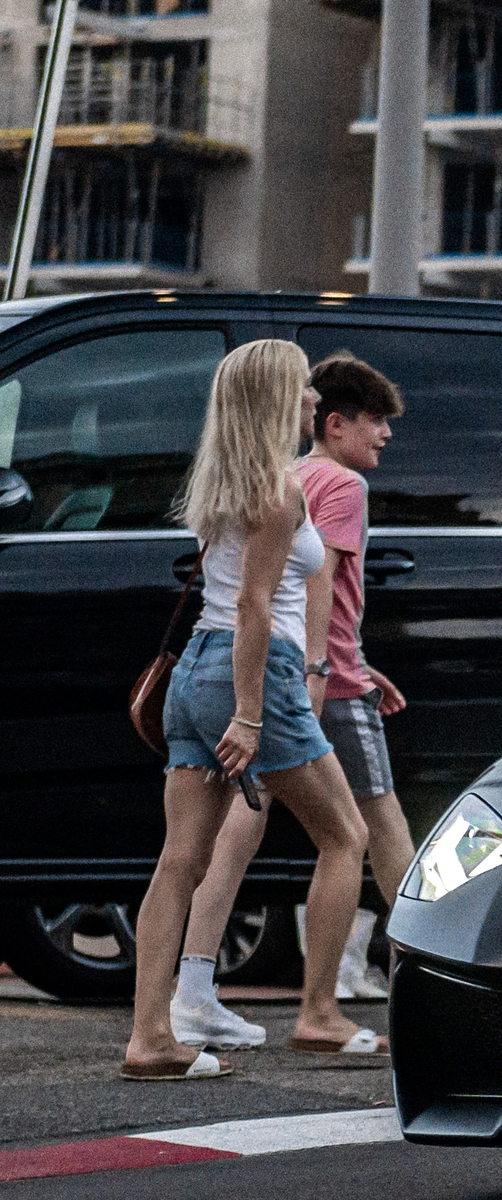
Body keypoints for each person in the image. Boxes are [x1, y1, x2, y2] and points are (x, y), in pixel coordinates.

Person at [121, 340, 377, 1080]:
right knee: (345, 834)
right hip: (247, 670)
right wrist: (252, 713)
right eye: (301, 391)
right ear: (274, 402)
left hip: (195, 668)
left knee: (180, 860)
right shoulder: (281, 490)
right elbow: (257, 605)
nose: (312, 402)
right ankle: (320, 1013)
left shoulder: (220, 482)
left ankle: (150, 1036)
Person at [167, 353, 408, 1051]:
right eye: (375, 421)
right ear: (334, 424)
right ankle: (415, 985)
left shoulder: (286, 475)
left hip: (271, 668)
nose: (385, 435)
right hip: (309, 677)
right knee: (374, 835)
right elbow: (319, 587)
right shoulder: (341, 484)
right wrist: (327, 668)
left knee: (231, 836)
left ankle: (193, 986)